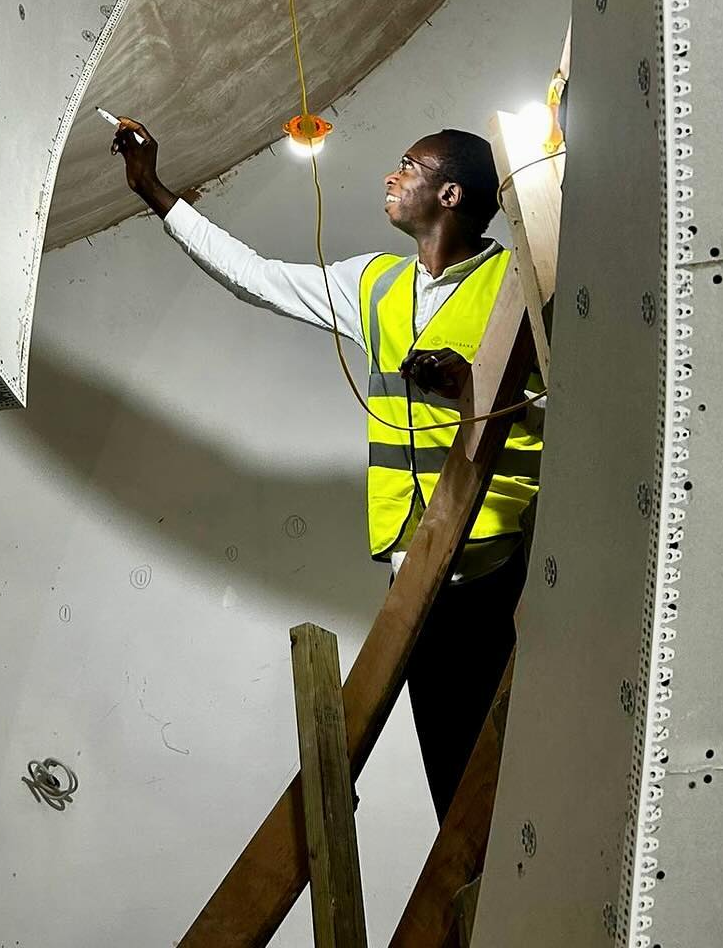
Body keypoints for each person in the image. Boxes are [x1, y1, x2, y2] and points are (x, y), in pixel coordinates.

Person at [111, 118, 543, 823]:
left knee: (509, 778)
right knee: (453, 792)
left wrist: (476, 385)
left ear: (452, 193)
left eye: (409, 164)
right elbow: (255, 278)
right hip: (412, 575)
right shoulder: (373, 284)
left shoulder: (518, 284)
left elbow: (572, 406)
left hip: (494, 572)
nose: (391, 175)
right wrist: (154, 191)